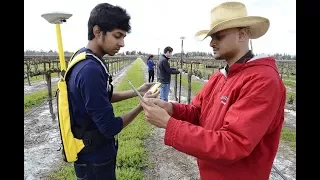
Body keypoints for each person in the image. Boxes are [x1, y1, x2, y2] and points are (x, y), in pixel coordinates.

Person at [139, 2, 286, 180]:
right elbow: (198, 112)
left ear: (242, 34)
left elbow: (232, 144)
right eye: (211, 37)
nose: (211, 43)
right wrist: (169, 108)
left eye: (218, 35)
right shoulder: (220, 77)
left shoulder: (262, 80)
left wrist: (169, 125)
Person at [66, 3, 158, 180]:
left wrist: (136, 92)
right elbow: (110, 128)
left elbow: (102, 98)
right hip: (95, 160)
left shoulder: (84, 58)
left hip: (90, 154)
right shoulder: (90, 70)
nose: (122, 43)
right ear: (97, 31)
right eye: (118, 36)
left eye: (123, 37)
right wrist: (141, 105)